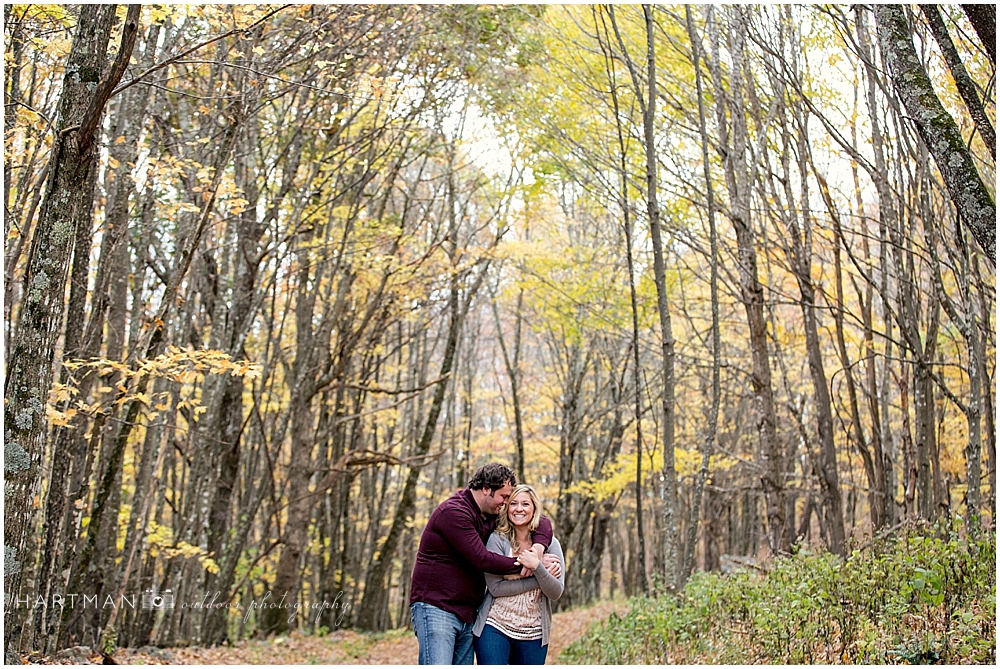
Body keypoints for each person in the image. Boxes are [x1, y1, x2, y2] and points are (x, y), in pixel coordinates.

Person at [409, 463, 561, 665]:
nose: (506, 503)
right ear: (486, 489)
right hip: (437, 607)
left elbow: (541, 520)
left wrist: (539, 548)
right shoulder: (453, 512)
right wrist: (533, 565)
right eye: (504, 497)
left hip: (467, 613)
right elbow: (482, 559)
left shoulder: (490, 513)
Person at [473, 484, 565, 665]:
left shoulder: (551, 545)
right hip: (495, 625)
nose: (519, 509)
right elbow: (496, 588)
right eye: (513, 504)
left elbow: (555, 592)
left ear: (534, 509)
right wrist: (539, 576)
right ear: (507, 509)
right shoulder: (497, 540)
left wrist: (536, 566)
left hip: (534, 631)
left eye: (525, 504)